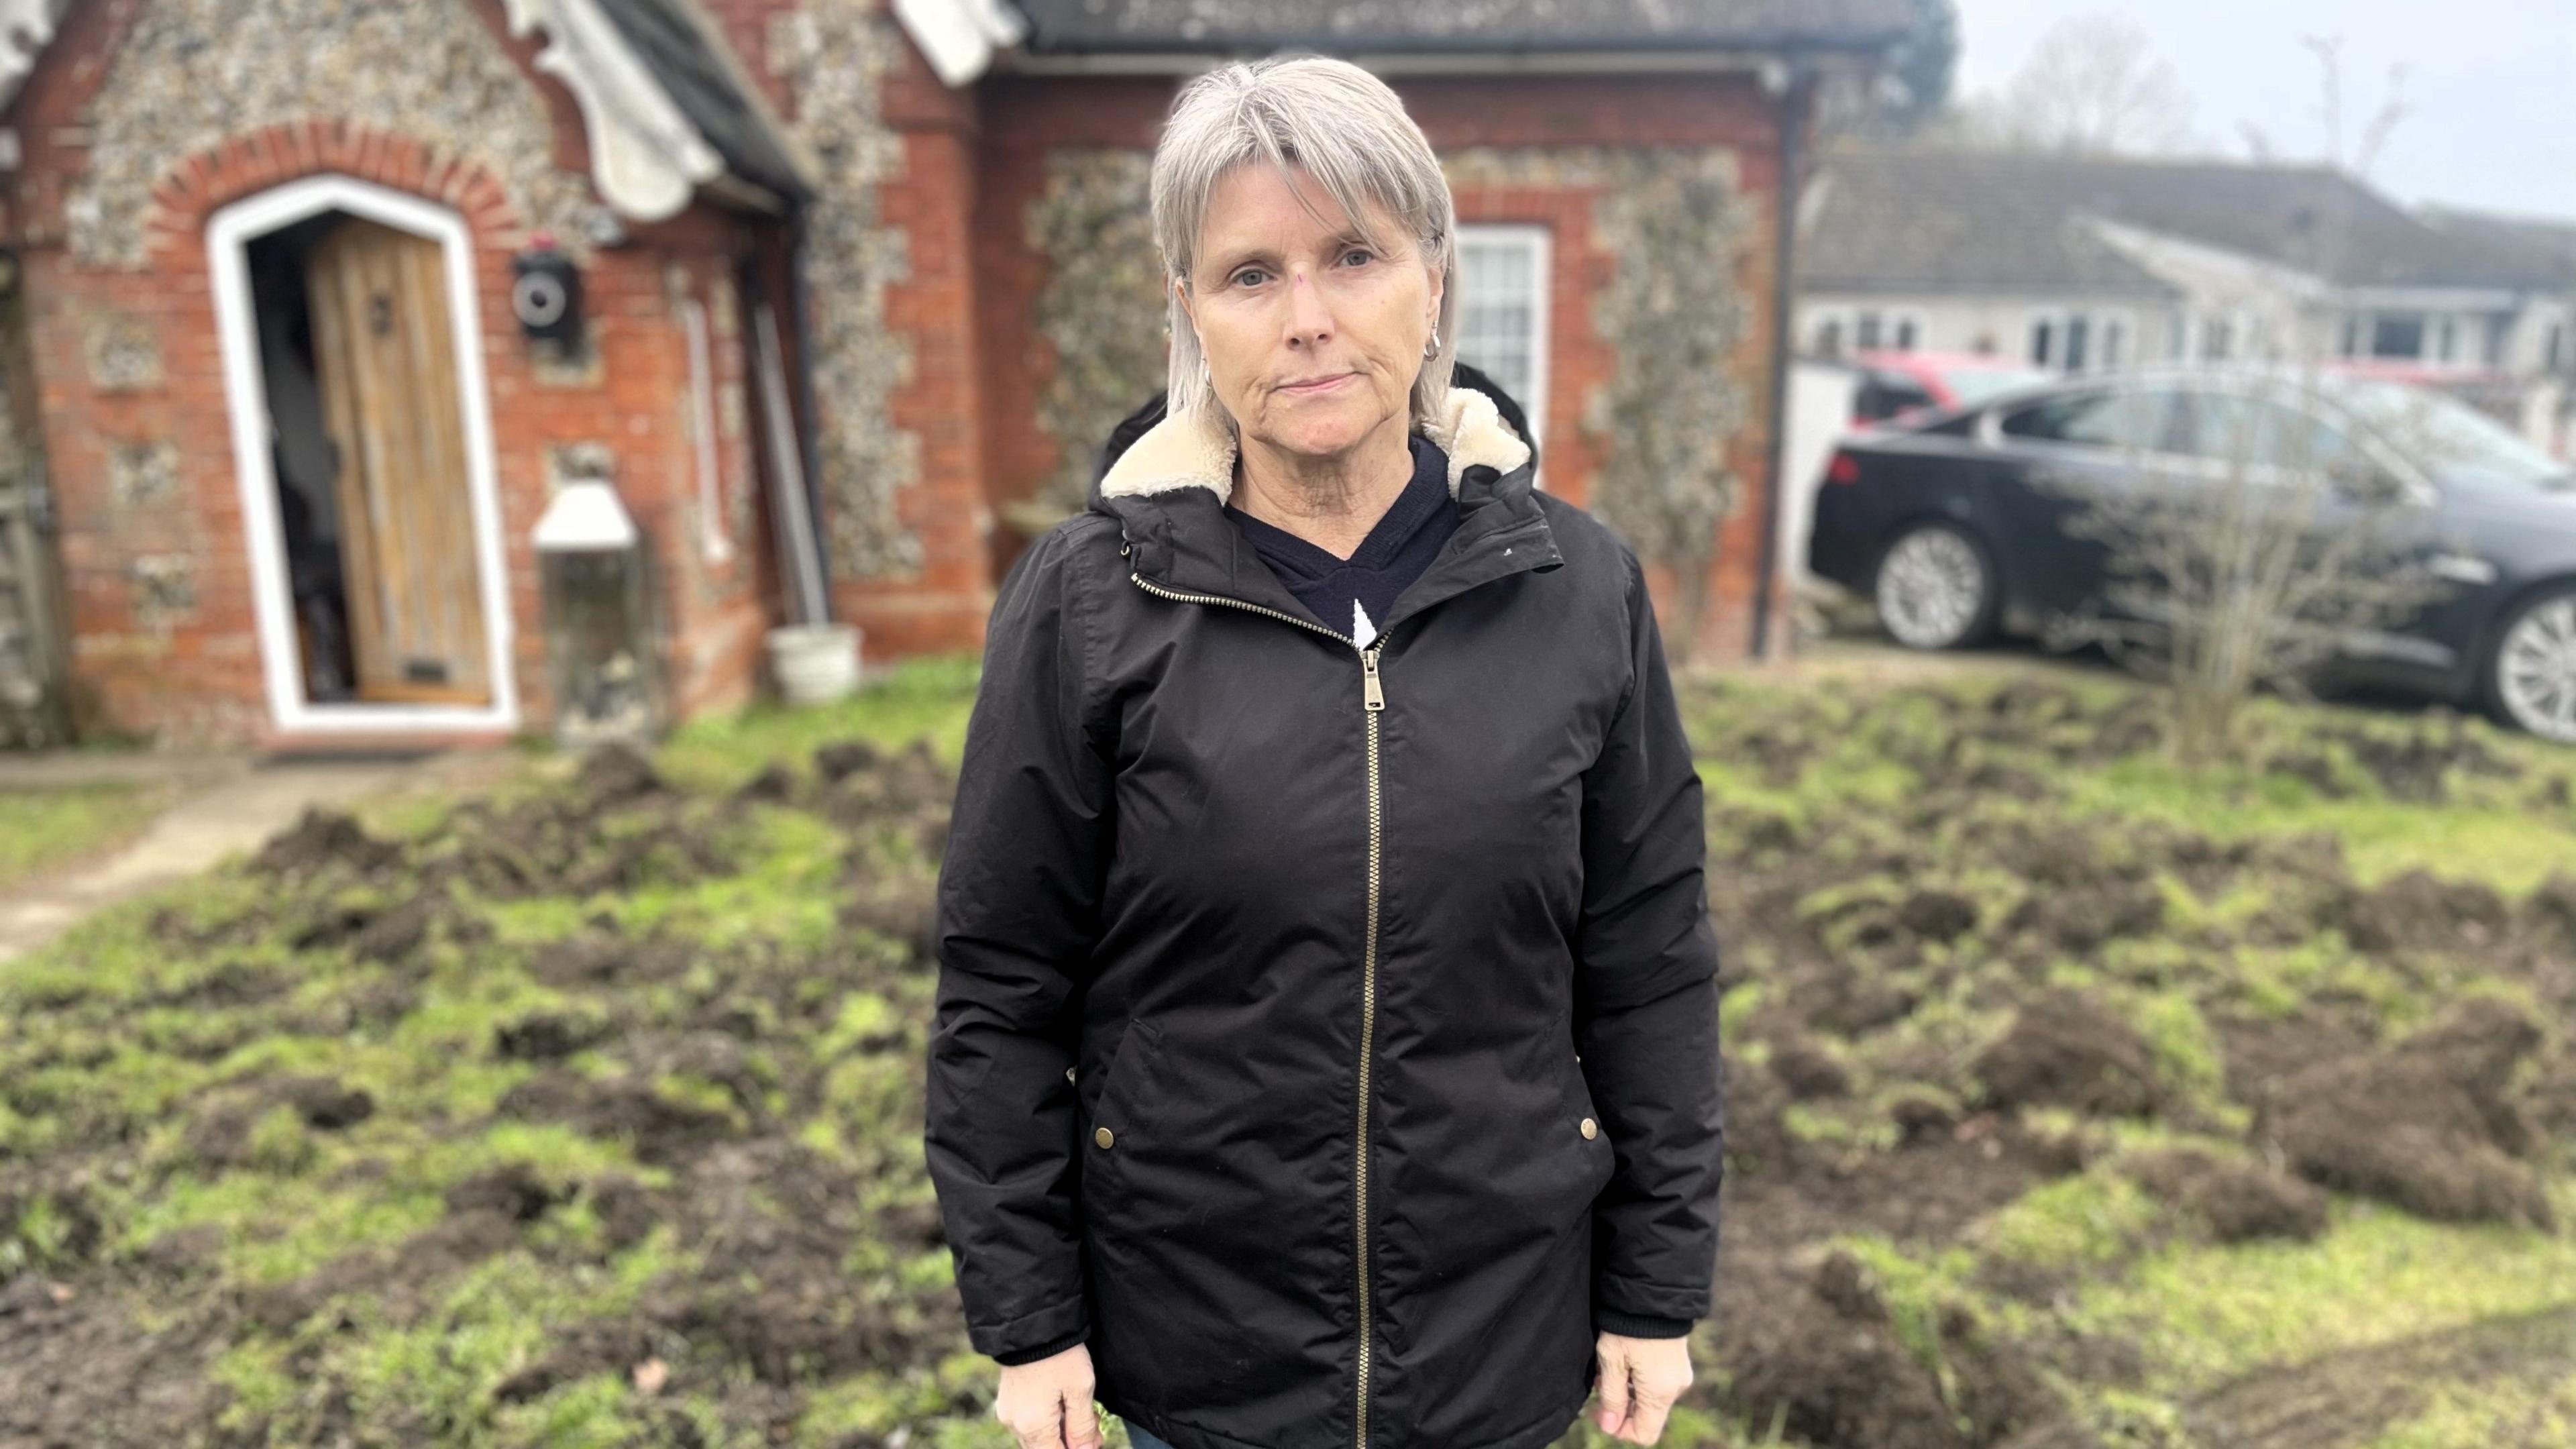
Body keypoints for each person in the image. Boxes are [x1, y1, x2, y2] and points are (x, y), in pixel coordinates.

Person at [925, 54, 1724, 1449]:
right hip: (1197, 1356)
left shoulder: (1579, 590)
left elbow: (1650, 965)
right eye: (1249, 275)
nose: (1308, 320)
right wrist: (1030, 1318)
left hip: (1501, 1346)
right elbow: (1003, 979)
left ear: (1433, 280)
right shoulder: (1094, 602)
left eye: (1354, 255)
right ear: (1190, 313)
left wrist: (1655, 1293)